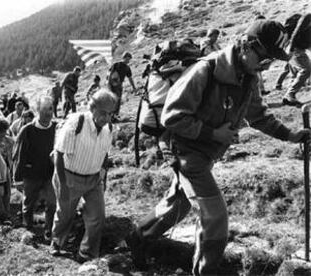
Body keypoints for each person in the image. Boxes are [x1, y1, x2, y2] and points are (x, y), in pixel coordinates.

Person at [126, 20, 310, 275]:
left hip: (204, 151)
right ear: (247, 45)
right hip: (183, 148)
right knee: (216, 217)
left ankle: (137, 238)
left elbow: (258, 116)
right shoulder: (205, 70)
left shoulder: (249, 77)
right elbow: (172, 117)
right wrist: (213, 132)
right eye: (264, 57)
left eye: (270, 62)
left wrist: (289, 135)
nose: (265, 65)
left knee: (178, 204)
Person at [50, 88, 117, 263]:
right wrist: (63, 186)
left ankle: (86, 254)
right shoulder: (76, 122)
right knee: (65, 214)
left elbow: (105, 155)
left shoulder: (109, 128)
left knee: (98, 217)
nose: (107, 118)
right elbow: (58, 154)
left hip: (94, 179)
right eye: (103, 113)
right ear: (92, 108)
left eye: (110, 114)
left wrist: (103, 176)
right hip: (70, 176)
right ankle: (57, 243)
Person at [13, 96, 57, 240]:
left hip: (50, 174)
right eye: (44, 109)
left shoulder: (57, 128)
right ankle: (28, 228)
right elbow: (19, 154)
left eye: (50, 109)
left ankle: (48, 231)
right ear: (38, 111)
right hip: (31, 173)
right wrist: (18, 177)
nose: (48, 113)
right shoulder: (28, 130)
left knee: (52, 202)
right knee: (29, 203)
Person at [282, 13, 311, 106]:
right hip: (294, 48)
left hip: (298, 48)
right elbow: (296, 32)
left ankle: (289, 96)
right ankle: (289, 95)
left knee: (299, 72)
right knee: (306, 69)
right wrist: (290, 49)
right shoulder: (308, 17)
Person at [107, 51, 137, 119]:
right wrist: (109, 85)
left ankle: (115, 116)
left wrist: (134, 87)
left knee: (118, 101)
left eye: (129, 59)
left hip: (119, 85)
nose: (129, 61)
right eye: (128, 59)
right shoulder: (116, 65)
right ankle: (110, 116)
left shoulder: (127, 68)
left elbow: (130, 78)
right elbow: (109, 75)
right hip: (112, 85)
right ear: (124, 57)